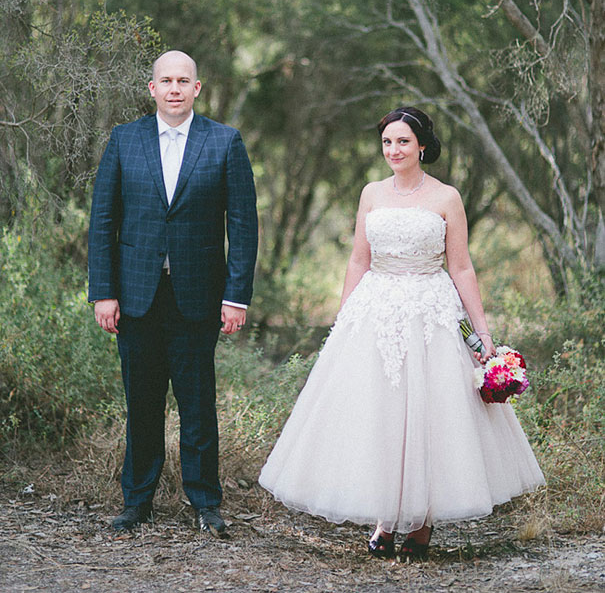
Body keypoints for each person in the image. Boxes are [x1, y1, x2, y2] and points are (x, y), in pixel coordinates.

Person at [259, 106, 544, 560]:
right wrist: (344, 319)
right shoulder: (371, 193)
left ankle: (421, 521)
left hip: (430, 311)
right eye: (387, 142)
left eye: (403, 142)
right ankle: (385, 518)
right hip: (377, 309)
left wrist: (483, 331)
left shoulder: (446, 197)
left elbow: (461, 267)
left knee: (430, 414)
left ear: (422, 146)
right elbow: (359, 258)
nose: (394, 150)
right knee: (378, 411)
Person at [89, 50, 258, 535]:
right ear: (152, 88)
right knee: (142, 403)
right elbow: (103, 220)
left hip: (198, 296)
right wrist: (103, 291)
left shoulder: (224, 142)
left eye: (184, 81)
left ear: (197, 88)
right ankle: (136, 502)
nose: (175, 89)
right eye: (166, 81)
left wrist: (236, 297)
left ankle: (205, 503)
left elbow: (243, 225)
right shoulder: (125, 139)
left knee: (197, 403)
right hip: (135, 295)